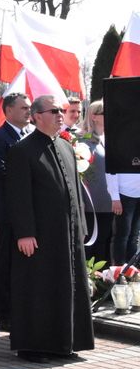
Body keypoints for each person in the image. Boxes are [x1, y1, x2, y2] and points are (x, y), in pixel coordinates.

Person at [5, 94, 94, 363]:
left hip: (67, 232)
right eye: (54, 111)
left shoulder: (65, 146)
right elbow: (18, 196)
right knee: (38, 287)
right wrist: (25, 232)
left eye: (61, 111)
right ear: (36, 116)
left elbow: (74, 191)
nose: (60, 115)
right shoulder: (22, 150)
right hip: (39, 234)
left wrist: (81, 225)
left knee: (67, 286)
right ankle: (33, 346)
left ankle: (64, 343)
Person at [0, 93, 31, 331]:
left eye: (29, 107)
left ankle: (23, 310)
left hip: (29, 212)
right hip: (8, 213)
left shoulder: (31, 135)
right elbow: (0, 172)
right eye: (24, 108)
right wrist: (32, 179)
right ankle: (4, 315)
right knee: (5, 264)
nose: (28, 111)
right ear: (9, 110)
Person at [80, 100, 113, 265]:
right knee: (92, 246)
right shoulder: (83, 141)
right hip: (91, 205)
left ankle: (102, 278)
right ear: (94, 116)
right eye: (105, 113)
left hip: (110, 203)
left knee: (105, 244)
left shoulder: (108, 139)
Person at [106, 167, 140, 265]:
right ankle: (118, 268)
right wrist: (115, 198)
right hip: (124, 195)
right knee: (121, 236)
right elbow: (111, 172)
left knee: (134, 236)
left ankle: (131, 268)